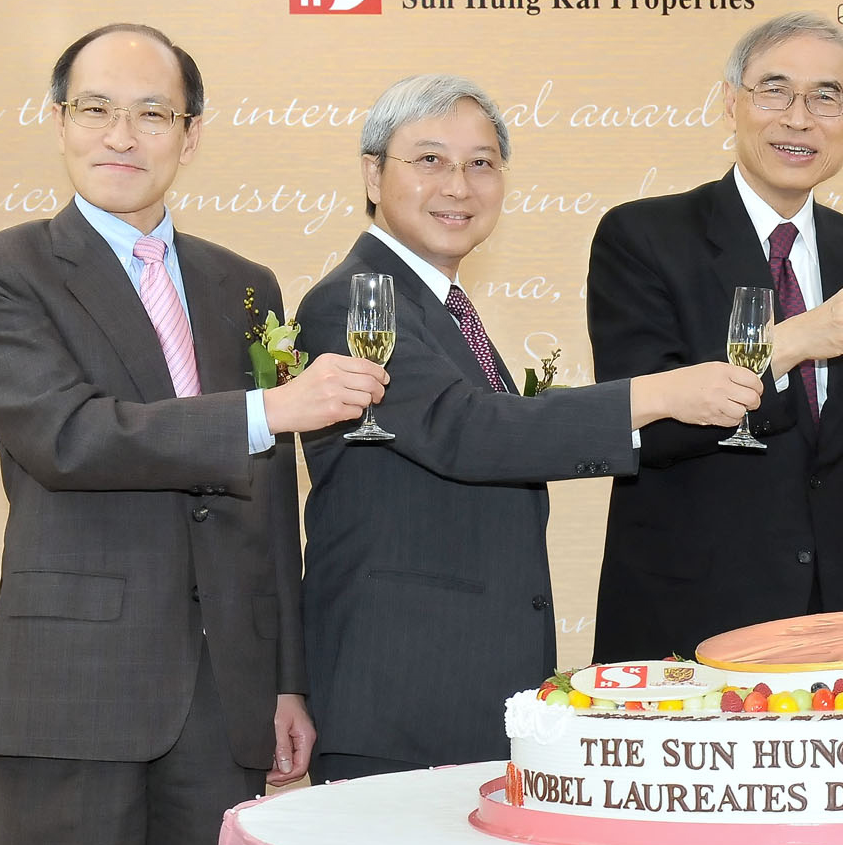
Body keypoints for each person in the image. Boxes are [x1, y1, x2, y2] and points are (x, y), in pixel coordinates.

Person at [0, 23, 387, 845]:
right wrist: (267, 408)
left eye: (153, 113)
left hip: (223, 695)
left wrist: (285, 677)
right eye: (96, 109)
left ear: (191, 135)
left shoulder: (244, 286)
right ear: (58, 122)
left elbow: (269, 503)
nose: (123, 135)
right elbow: (68, 436)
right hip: (75, 688)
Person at [295, 74, 761, 779]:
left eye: (481, 163)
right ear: (372, 173)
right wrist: (658, 394)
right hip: (398, 697)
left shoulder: (442, 307)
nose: (459, 185)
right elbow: (470, 432)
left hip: (463, 692)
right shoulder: (354, 305)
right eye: (429, 160)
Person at [587, 12, 843, 663]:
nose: (799, 118)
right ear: (729, 102)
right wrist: (791, 342)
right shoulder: (643, 239)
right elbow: (641, 430)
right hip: (688, 628)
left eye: (827, 96)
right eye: (775, 90)